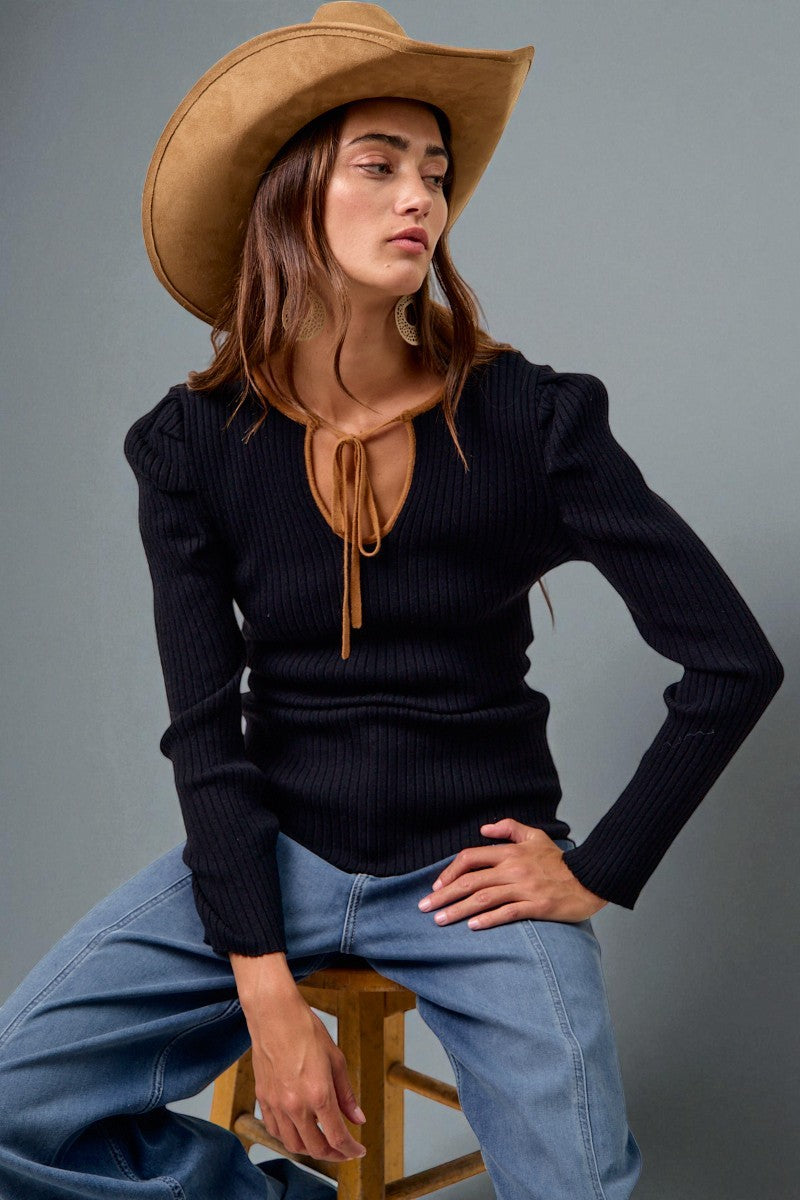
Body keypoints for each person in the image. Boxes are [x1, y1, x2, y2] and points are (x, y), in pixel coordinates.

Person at [0, 4, 784, 1199]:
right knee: (11, 1107)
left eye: (434, 171)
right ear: (289, 194)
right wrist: (262, 983)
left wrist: (599, 868)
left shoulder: (533, 420)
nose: (421, 196)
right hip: (269, 853)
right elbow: (206, 732)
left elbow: (732, 661)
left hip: (472, 876)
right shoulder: (191, 445)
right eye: (378, 165)